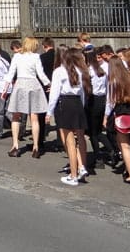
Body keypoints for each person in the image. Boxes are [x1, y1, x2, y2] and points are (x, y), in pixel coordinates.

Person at [3, 37, 50, 159]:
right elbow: (40, 74)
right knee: (34, 118)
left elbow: (11, 73)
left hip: (20, 85)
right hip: (33, 84)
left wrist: (5, 88)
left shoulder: (17, 56)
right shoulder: (36, 57)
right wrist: (48, 84)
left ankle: (15, 146)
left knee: (16, 116)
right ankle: (35, 148)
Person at [48, 48, 89, 185]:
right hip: (77, 102)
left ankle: (73, 174)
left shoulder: (59, 71)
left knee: (69, 141)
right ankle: (82, 166)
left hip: (65, 102)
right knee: (80, 137)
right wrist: (81, 107)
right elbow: (82, 92)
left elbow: (54, 93)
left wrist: (49, 112)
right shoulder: (80, 71)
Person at [103, 56, 130, 184]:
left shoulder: (113, 81)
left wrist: (106, 116)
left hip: (121, 113)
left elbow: (110, 101)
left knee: (124, 146)